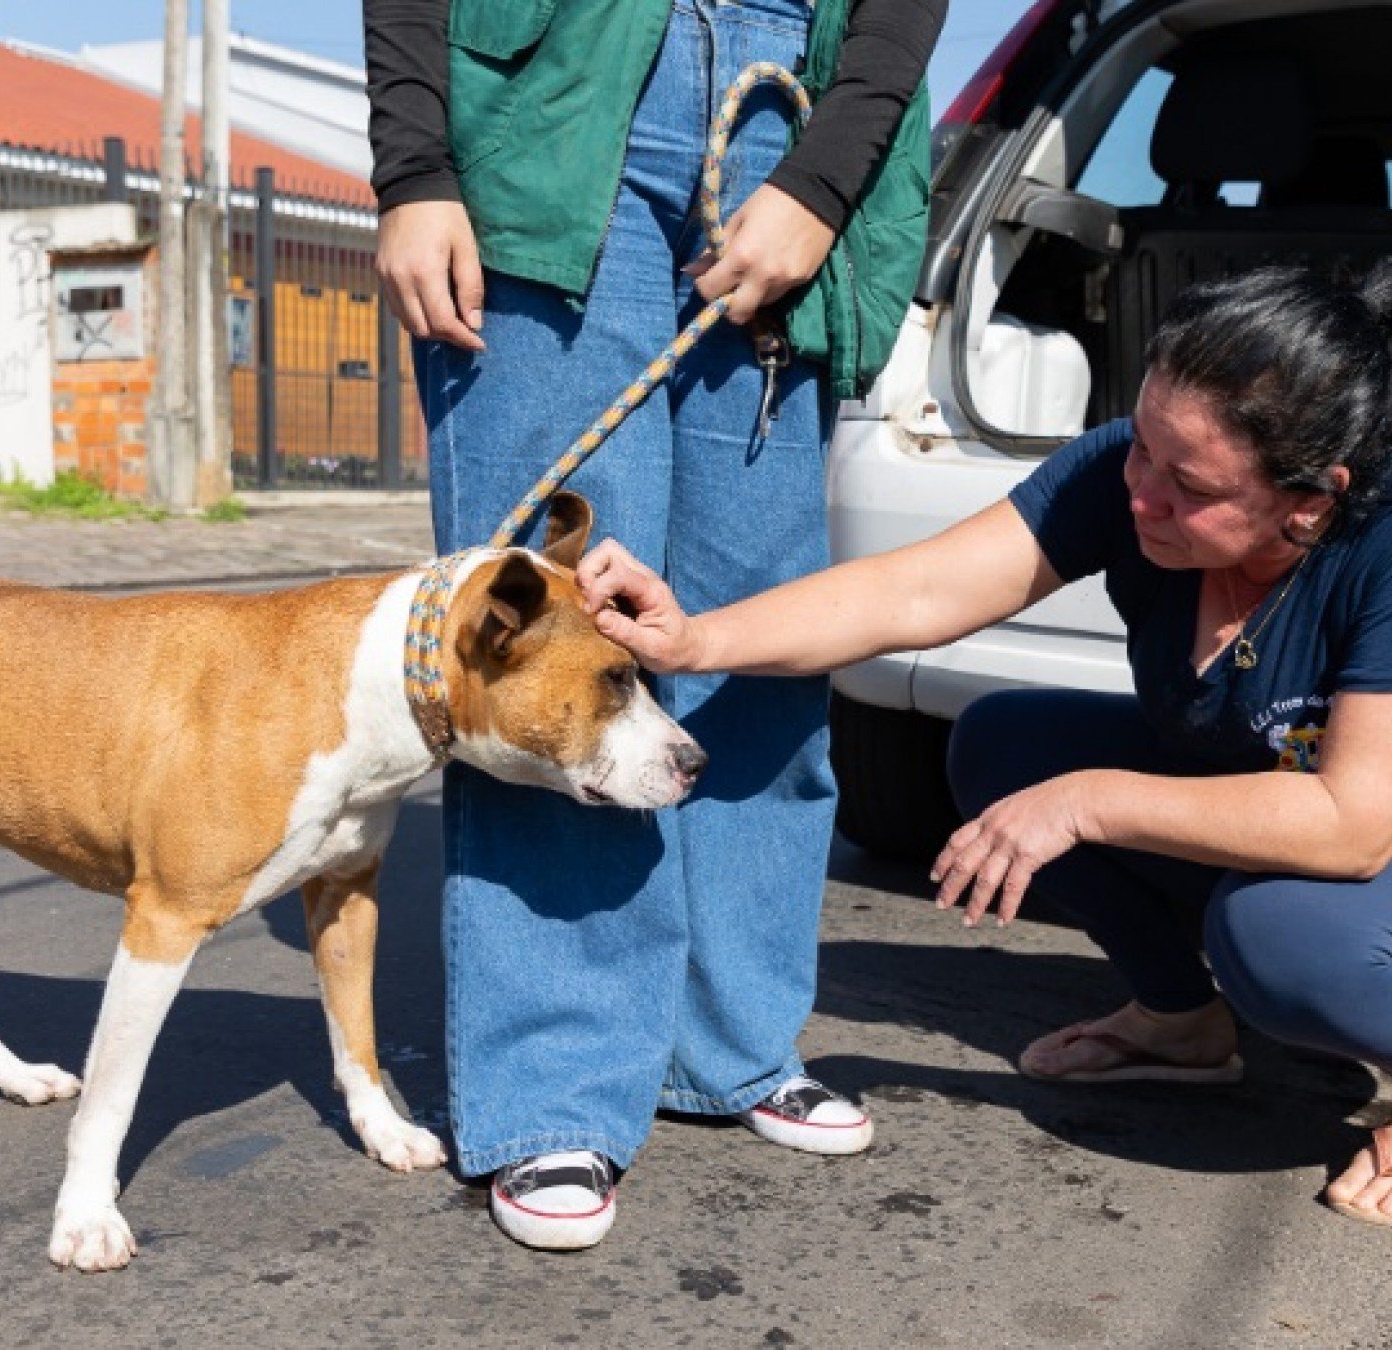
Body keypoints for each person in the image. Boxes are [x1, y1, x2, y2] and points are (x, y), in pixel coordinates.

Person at [580, 264, 1392, 1230]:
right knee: (1004, 746)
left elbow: (1356, 824)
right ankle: (1182, 1024)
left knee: (1286, 931)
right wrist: (700, 637)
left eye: (1189, 487)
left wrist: (1088, 802)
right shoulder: (1141, 472)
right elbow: (924, 589)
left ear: (1313, 501)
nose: (1140, 494)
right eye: (1142, 450)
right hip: (1281, 784)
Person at [362, 0, 947, 1248]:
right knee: (554, 648)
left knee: (758, 638)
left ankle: (732, 1039)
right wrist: (414, 163)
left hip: (783, 92)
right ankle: (557, 1082)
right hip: (553, 106)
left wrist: (827, 175)